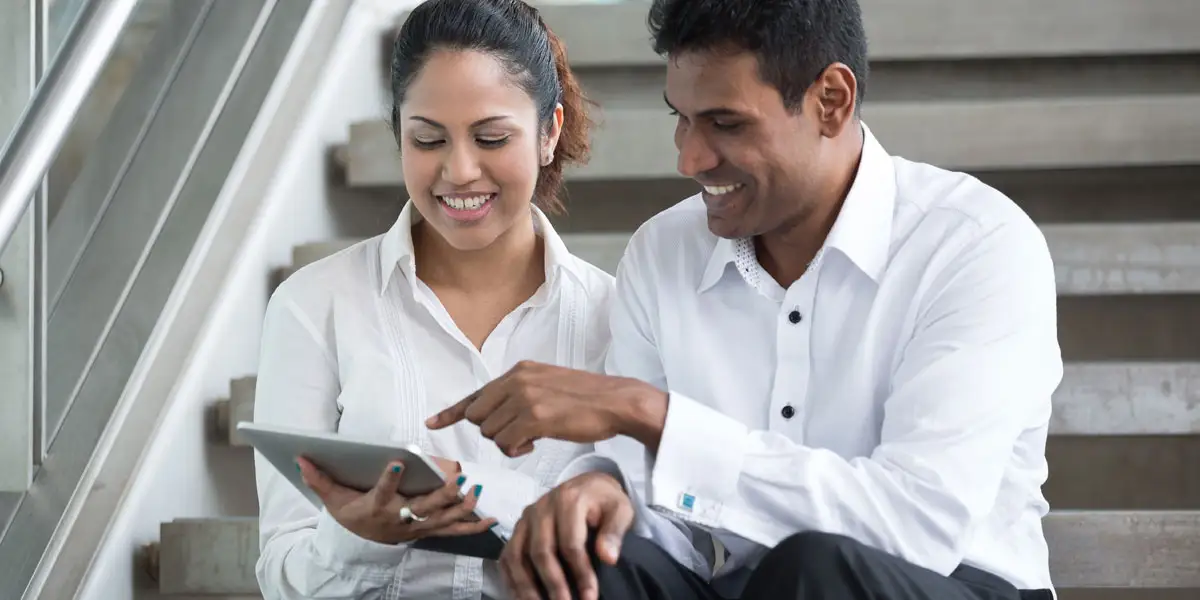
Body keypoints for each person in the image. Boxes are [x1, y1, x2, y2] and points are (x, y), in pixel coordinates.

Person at [426, 0, 1063, 599]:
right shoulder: (663, 250)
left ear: (830, 102)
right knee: (587, 563)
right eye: (681, 118)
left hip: (940, 581)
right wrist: (602, 489)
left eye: (725, 123)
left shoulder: (973, 246)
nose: (690, 158)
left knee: (813, 568)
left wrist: (650, 413)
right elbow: (660, 506)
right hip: (742, 585)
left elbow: (916, 526)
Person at [251, 0, 614, 598]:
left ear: (549, 131)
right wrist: (358, 536)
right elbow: (281, 572)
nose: (459, 170)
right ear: (398, 132)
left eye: (492, 137)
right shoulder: (314, 304)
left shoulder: (615, 316)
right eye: (428, 139)